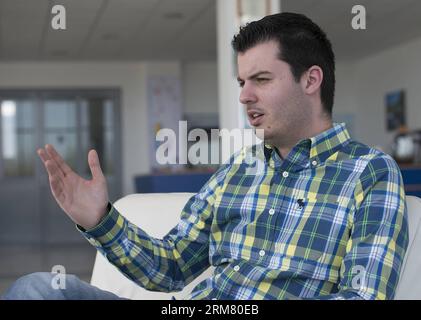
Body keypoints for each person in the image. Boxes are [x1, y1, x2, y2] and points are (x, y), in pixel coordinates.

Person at [3, 12, 408, 300]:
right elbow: (171, 267)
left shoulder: (368, 172)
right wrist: (99, 219)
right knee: (37, 288)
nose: (244, 95)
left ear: (311, 79)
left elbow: (364, 294)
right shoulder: (238, 170)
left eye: (261, 79)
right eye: (242, 81)